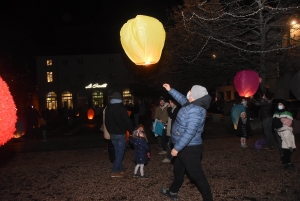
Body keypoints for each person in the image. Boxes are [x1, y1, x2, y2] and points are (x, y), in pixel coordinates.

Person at [160, 83, 213, 201]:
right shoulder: (192, 104)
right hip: (184, 146)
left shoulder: (195, 110)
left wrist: (176, 148)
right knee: (178, 170)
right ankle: (173, 192)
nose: (189, 93)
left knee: (197, 176)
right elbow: (182, 99)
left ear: (196, 95)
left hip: (189, 148)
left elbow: (190, 133)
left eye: (191, 91)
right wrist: (170, 90)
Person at [105, 92, 133, 178]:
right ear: (120, 99)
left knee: (118, 152)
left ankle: (121, 169)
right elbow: (127, 121)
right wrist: (131, 130)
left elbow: (106, 122)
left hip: (112, 133)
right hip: (120, 133)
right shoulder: (122, 108)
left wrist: (110, 130)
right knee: (120, 152)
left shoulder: (108, 108)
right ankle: (114, 171)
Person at [250, 78, 274, 151]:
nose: (263, 96)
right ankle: (269, 144)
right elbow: (264, 91)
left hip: (266, 119)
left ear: (267, 97)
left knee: (267, 132)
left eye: (264, 96)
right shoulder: (268, 100)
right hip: (267, 118)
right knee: (267, 132)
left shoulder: (266, 102)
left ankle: (270, 146)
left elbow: (257, 103)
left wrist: (251, 98)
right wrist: (261, 83)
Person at [272, 100, 296, 169]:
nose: (280, 106)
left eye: (281, 104)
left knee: (286, 145)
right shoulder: (275, 113)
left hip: (286, 130)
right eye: (279, 104)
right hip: (278, 131)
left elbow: (290, 122)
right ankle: (283, 157)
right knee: (281, 144)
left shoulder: (288, 113)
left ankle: (286, 160)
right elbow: (274, 122)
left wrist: (282, 123)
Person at [162, 98, 180, 163]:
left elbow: (172, 116)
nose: (169, 104)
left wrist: (168, 109)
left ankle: (169, 158)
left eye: (170, 102)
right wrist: (168, 123)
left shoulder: (176, 109)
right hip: (173, 129)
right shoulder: (174, 109)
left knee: (170, 144)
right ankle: (175, 158)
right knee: (171, 144)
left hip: (174, 130)